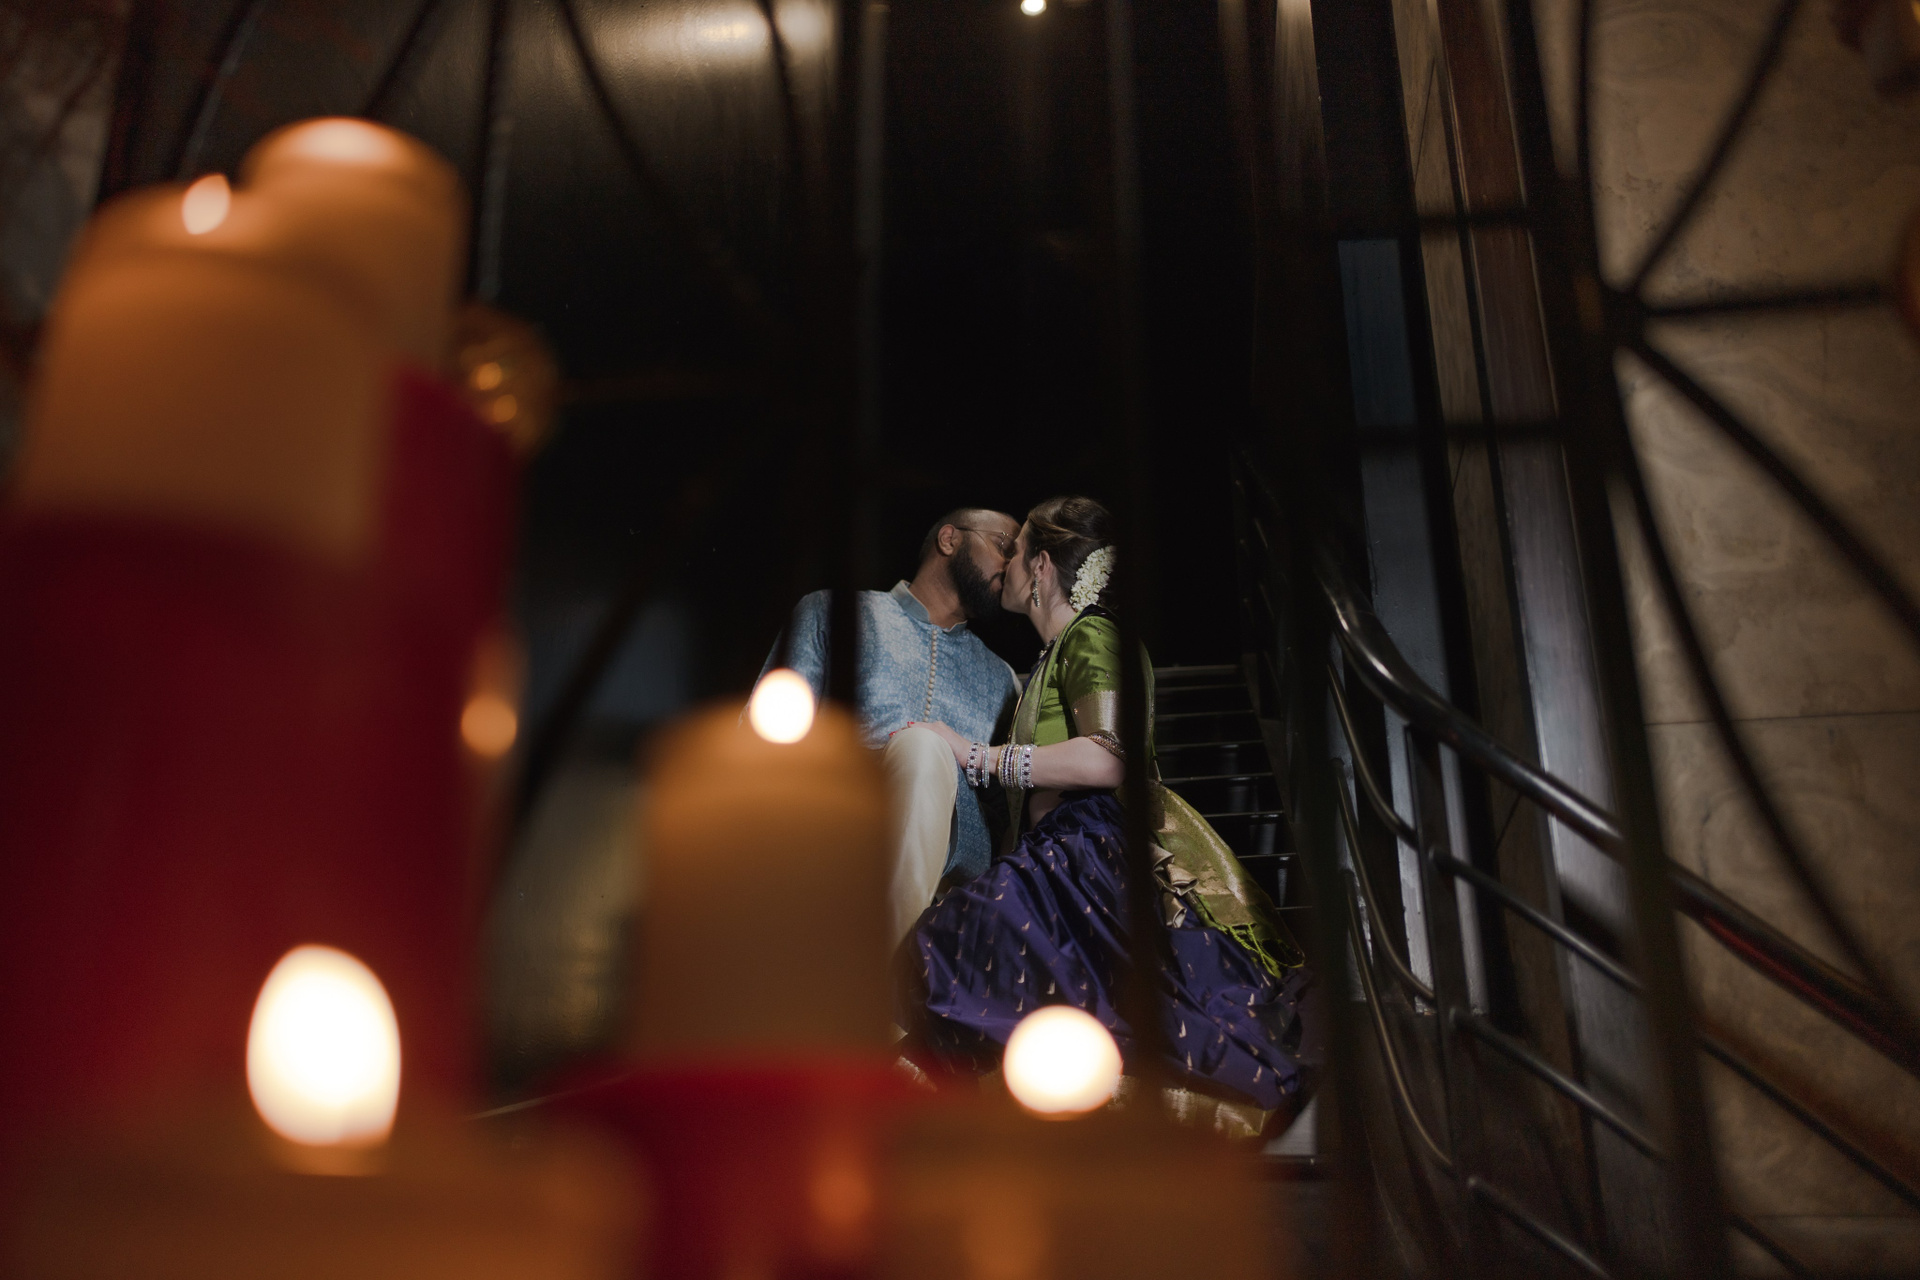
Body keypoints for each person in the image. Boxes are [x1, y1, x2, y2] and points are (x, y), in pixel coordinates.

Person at [902, 496, 1313, 1125]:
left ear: (1042, 567)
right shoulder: (1053, 654)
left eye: (1016, 551)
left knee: (956, 947)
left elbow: (1107, 756)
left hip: (1089, 847)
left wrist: (977, 756)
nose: (1005, 565)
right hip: (1056, 854)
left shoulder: (1092, 634)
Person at [764, 508, 1022, 943]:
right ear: (949, 539)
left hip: (949, 885)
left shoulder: (1002, 680)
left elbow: (1004, 817)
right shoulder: (834, 614)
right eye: (1002, 547)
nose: (1010, 565)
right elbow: (765, 736)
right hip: (828, 833)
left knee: (923, 747)